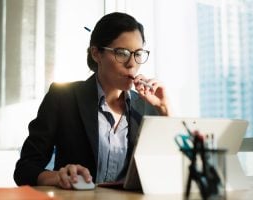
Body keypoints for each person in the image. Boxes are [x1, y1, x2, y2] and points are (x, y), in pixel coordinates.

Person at [13, 12, 172, 189]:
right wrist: (58, 177)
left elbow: (170, 171)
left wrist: (165, 110)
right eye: (123, 53)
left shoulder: (146, 106)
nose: (132, 64)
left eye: (138, 54)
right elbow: (24, 169)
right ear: (97, 53)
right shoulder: (63, 98)